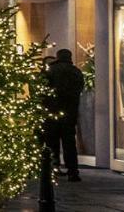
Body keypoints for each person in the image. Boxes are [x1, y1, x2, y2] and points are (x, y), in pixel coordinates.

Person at [44, 48, 85, 181]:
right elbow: (79, 89)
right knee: (69, 143)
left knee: (52, 142)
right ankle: (73, 171)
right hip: (69, 112)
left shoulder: (50, 71)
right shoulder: (76, 72)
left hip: (52, 112)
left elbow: (42, 90)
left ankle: (53, 168)